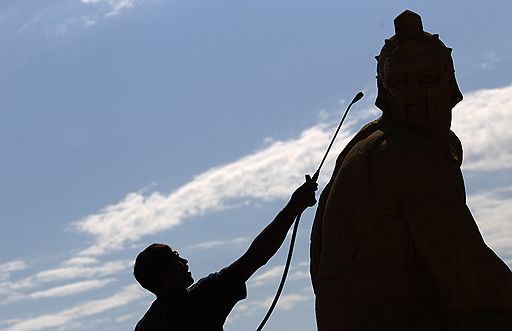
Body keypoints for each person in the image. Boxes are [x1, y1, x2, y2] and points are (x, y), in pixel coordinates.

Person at [310, 10, 512, 331]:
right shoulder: (408, 156)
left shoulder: (367, 144)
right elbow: (470, 278)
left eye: (427, 78)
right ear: (384, 92)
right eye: (401, 82)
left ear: (450, 84)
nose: (415, 92)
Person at [134, 177, 317, 331]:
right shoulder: (203, 296)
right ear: (166, 275)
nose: (184, 261)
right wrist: (294, 207)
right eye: (176, 258)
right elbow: (256, 255)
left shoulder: (145, 327)